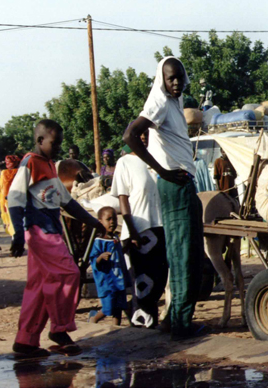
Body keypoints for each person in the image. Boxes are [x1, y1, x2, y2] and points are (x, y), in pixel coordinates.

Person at [123, 56, 206, 339]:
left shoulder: (174, 102)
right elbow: (131, 135)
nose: (176, 83)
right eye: (171, 78)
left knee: (184, 251)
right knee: (184, 254)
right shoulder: (158, 101)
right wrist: (162, 170)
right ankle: (182, 323)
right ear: (162, 79)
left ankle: (173, 318)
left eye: (180, 78)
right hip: (176, 183)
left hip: (182, 183)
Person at [8, 119, 106, 357]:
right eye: (55, 143)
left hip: (51, 229)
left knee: (39, 287)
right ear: (41, 140)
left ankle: (26, 341)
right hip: (40, 231)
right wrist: (18, 234)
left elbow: (68, 202)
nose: (59, 147)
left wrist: (92, 221)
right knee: (69, 273)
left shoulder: (51, 165)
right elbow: (15, 197)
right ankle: (59, 329)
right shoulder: (30, 163)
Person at [112, 130, 168, 328]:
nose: (143, 136)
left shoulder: (158, 160)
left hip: (160, 227)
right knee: (141, 280)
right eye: (138, 133)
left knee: (159, 277)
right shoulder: (125, 163)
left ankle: (144, 316)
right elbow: (123, 198)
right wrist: (132, 230)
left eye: (146, 133)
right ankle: (142, 321)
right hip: (139, 230)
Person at [88, 207, 131, 326]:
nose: (112, 222)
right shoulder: (99, 241)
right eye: (109, 219)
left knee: (118, 308)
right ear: (100, 221)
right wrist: (100, 257)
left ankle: (115, 328)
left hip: (118, 280)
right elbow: (93, 259)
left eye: (115, 219)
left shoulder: (115, 239)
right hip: (107, 281)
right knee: (108, 308)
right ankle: (93, 319)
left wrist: (127, 246)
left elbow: (119, 255)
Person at [0, 155, 21, 236]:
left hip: (7, 200)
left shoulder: (4, 173)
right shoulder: (21, 172)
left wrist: (3, 162)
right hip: (21, 199)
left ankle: (15, 237)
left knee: (11, 220)